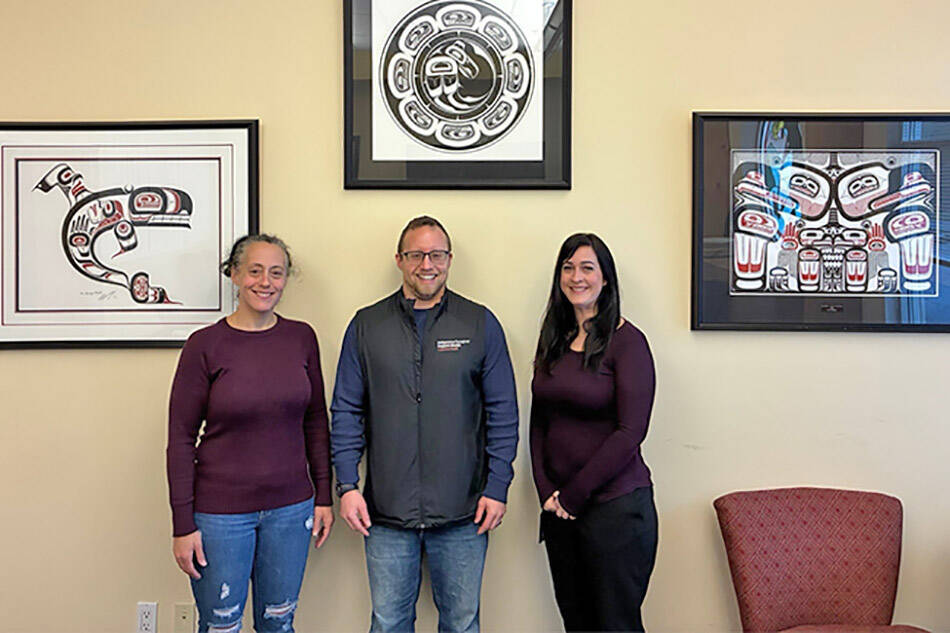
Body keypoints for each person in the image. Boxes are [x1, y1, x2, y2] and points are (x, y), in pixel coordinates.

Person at [330, 216, 519, 633]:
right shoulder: (366, 325)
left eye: (436, 254)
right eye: (416, 254)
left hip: (465, 513)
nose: (426, 264)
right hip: (385, 514)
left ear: (449, 260)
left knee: (462, 623)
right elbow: (345, 411)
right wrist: (346, 486)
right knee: (388, 622)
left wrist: (497, 487)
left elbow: (503, 413)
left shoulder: (479, 323)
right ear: (399, 260)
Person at [166, 234, 333, 633]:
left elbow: (315, 421)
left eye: (276, 273)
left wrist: (324, 495)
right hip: (220, 516)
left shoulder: (301, 338)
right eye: (255, 271)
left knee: (278, 623)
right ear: (235, 275)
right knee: (221, 624)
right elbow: (180, 439)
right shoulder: (204, 345)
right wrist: (182, 524)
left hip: (291, 512)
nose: (266, 281)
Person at [530, 233, 658, 633]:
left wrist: (573, 494)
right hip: (560, 513)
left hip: (615, 511)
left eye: (587, 267)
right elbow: (539, 419)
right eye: (568, 267)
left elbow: (629, 432)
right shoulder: (556, 337)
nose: (576, 277)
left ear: (606, 279)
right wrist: (547, 492)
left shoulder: (628, 343)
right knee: (577, 623)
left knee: (615, 625)